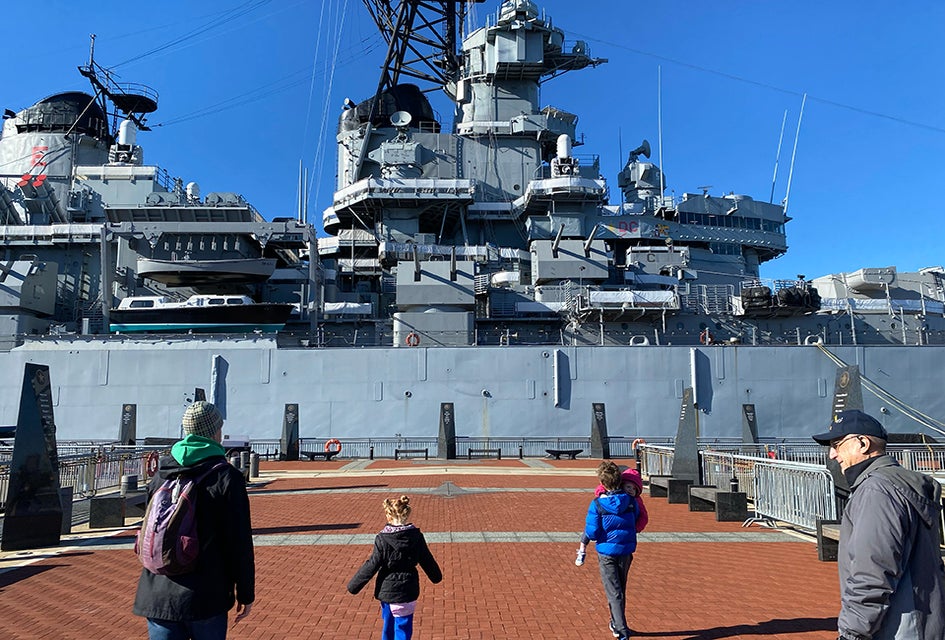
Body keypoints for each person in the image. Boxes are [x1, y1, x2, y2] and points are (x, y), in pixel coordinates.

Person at [812, 409, 945, 640]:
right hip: (926, 623)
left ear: (862, 443)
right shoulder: (903, 484)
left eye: (837, 444)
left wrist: (852, 633)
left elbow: (872, 572)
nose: (833, 454)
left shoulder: (876, 492)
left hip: (896, 629)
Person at [133, 401, 256, 640]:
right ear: (216, 431)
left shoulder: (162, 474)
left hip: (157, 591)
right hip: (206, 594)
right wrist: (246, 593)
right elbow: (238, 543)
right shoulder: (226, 477)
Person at [347, 495, 442, 640]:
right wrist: (436, 576)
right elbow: (427, 559)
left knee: (388, 626)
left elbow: (372, 564)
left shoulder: (382, 539)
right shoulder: (416, 537)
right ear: (406, 513)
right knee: (403, 628)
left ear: (388, 515)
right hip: (407, 590)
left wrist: (354, 586)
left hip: (387, 590)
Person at [583, 461, 640, 640]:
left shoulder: (597, 504)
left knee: (614, 591)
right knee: (620, 589)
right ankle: (616, 622)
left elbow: (592, 532)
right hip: (626, 550)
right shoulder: (630, 501)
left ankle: (622, 631)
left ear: (603, 483)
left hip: (606, 552)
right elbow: (636, 518)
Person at [576, 466, 649, 566]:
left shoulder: (634, 501)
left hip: (609, 545)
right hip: (623, 546)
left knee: (591, 525)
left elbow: (643, 517)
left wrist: (634, 528)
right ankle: (582, 548)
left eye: (634, 489)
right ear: (621, 485)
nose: (631, 490)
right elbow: (604, 486)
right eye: (628, 487)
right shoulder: (620, 497)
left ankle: (582, 549)